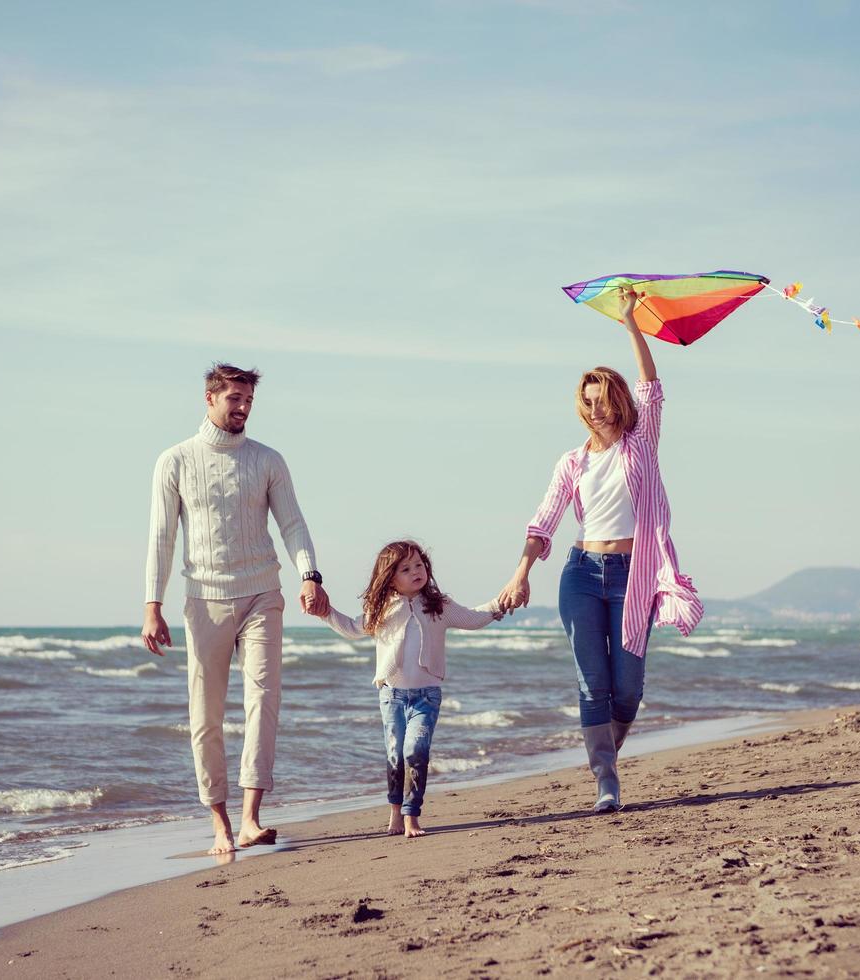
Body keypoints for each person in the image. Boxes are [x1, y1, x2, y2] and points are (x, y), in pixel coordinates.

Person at [497, 289, 703, 812]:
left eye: (601, 399)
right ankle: (606, 780)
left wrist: (631, 323)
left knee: (627, 687)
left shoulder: (641, 444)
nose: (594, 410)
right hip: (581, 575)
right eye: (585, 402)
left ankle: (606, 756)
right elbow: (543, 518)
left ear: (617, 400)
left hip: (634, 575)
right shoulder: (572, 462)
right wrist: (521, 572)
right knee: (593, 683)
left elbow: (653, 388)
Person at [141, 362, 329, 855]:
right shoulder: (175, 461)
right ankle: (219, 821)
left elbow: (292, 523)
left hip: (263, 592)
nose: (243, 408)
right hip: (204, 599)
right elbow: (161, 538)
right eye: (234, 400)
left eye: (248, 401)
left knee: (263, 700)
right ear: (210, 399)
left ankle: (250, 818)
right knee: (205, 715)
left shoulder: (267, 460)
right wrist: (152, 605)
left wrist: (309, 574)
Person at [318, 540, 503, 838]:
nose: (415, 571)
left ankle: (411, 816)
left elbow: (472, 618)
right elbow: (352, 628)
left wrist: (500, 605)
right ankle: (395, 811)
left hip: (426, 696)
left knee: (415, 751)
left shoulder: (438, 605)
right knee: (395, 755)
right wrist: (324, 613)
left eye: (419, 565)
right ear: (390, 577)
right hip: (391, 696)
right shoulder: (380, 610)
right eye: (405, 569)